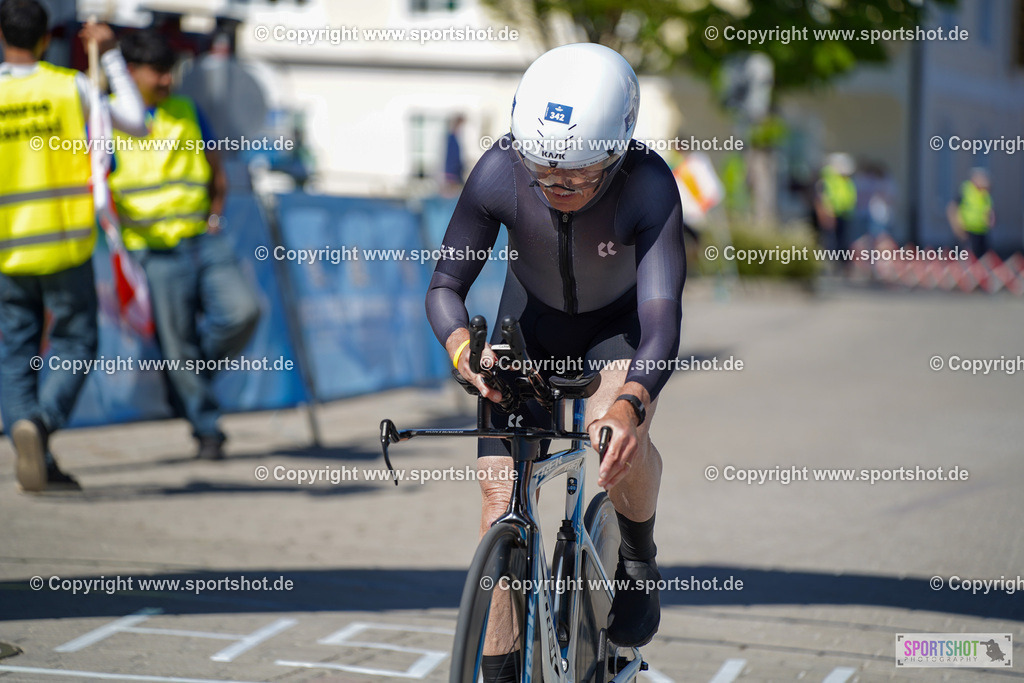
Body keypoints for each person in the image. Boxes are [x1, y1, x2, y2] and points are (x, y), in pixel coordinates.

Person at [425, 43, 685, 678]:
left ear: (618, 153)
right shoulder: (498, 169)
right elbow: (444, 288)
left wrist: (630, 406)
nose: (559, 187)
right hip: (529, 325)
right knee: (498, 495)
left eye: (579, 177)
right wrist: (462, 349)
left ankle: (638, 559)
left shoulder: (649, 182)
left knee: (610, 430)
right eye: (543, 174)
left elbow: (660, 321)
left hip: (615, 329)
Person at [0, 0, 147, 492]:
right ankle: (40, 426)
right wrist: (110, 55)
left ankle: (29, 437)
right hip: (65, 244)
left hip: (6, 249)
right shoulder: (71, 87)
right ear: (47, 39)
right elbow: (136, 121)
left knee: (15, 350)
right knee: (75, 343)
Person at [111, 30, 260, 460]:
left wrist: (214, 216)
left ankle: (192, 379)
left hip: (203, 238)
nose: (166, 80)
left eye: (169, 71)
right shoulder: (108, 119)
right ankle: (207, 429)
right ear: (130, 72)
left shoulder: (187, 110)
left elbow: (215, 169)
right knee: (177, 345)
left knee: (244, 312)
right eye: (157, 72)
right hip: (153, 249)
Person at [815, 153, 857, 268]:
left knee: (843, 240)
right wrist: (827, 212)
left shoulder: (846, 180)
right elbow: (822, 198)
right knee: (830, 241)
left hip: (845, 214)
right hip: (831, 214)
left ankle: (842, 263)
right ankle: (830, 263)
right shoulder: (828, 179)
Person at [947, 167, 994, 258]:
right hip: (967, 230)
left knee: (982, 257)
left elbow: (988, 210)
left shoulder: (985, 194)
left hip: (981, 231)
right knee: (966, 257)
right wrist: (958, 227)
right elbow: (953, 208)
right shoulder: (966, 190)